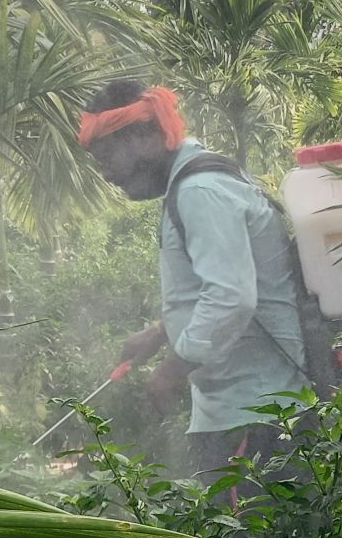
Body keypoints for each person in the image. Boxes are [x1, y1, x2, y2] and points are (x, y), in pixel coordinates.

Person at [77, 80, 309, 478]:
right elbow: (215, 285)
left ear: (144, 134)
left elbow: (231, 297)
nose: (107, 174)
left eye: (107, 156)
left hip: (256, 412)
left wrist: (172, 369)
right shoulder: (194, 183)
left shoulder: (201, 191)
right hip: (241, 408)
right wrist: (160, 333)